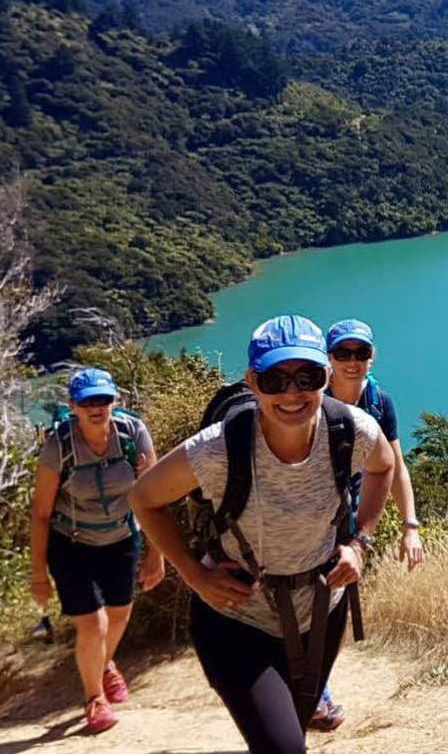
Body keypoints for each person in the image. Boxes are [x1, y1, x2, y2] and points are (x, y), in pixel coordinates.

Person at [129, 315, 396, 753]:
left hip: (320, 615)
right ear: (253, 382)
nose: (292, 393)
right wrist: (194, 575)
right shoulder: (218, 449)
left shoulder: (351, 429)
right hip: (236, 623)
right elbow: (144, 497)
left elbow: (383, 467)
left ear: (325, 377)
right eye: (275, 379)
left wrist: (360, 541)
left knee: (293, 733)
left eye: (307, 376)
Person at [29, 367, 165, 733]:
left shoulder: (132, 433)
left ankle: (104, 665)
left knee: (120, 613)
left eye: (103, 400)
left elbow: (153, 496)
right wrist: (38, 573)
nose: (96, 408)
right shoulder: (60, 445)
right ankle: (94, 699)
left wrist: (157, 554)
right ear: (73, 405)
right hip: (71, 544)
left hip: (121, 537)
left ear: (114, 401)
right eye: (87, 401)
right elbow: (41, 513)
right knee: (95, 622)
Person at [310, 318, 425, 731]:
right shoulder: (311, 399)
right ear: (329, 358)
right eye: (343, 353)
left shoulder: (378, 403)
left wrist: (410, 525)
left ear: (372, 357)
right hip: (309, 515)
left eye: (360, 353)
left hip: (354, 517)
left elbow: (394, 465)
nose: (352, 362)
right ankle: (309, 689)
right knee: (314, 603)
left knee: (331, 602)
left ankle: (312, 685)